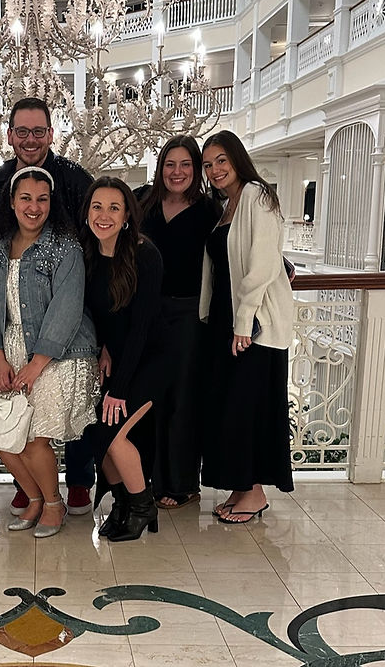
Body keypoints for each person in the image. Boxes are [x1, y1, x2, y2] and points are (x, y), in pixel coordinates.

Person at [0, 166, 98, 538]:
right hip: (11, 351)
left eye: (42, 199)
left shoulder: (65, 247)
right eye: (26, 198)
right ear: (12, 202)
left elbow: (67, 308)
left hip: (58, 353)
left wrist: (35, 365)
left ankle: (53, 504)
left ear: (52, 203)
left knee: (33, 438)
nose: (34, 207)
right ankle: (33, 498)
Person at [199, 130, 294, 523]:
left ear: (237, 158)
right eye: (208, 164)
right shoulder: (227, 204)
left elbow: (264, 264)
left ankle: (254, 492)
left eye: (221, 160)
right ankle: (242, 487)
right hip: (228, 318)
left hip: (253, 324)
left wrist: (244, 321)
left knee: (248, 407)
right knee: (230, 406)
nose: (215, 170)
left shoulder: (257, 195)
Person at [136, 135, 221, 510]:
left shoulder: (209, 209)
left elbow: (235, 248)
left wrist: (281, 264)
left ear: (196, 169)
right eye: (170, 164)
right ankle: (149, 477)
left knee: (183, 397)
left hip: (189, 314)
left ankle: (182, 481)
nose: (177, 172)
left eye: (186, 164)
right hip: (146, 313)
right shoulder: (142, 202)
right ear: (160, 168)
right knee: (150, 398)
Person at [82, 177, 168, 541]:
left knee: (115, 436)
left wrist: (117, 390)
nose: (104, 215)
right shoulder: (89, 253)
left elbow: (141, 328)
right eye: (97, 207)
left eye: (114, 208)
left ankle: (142, 505)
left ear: (127, 215)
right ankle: (122, 504)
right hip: (116, 358)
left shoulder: (145, 254)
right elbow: (104, 318)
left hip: (151, 359)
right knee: (99, 435)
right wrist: (104, 348)